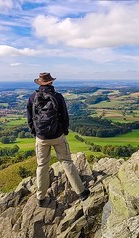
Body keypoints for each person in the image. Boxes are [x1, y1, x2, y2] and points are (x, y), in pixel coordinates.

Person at [27, 72, 90, 206]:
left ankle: (41, 197)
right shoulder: (58, 97)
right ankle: (81, 192)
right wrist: (64, 131)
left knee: (42, 166)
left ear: (39, 83)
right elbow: (65, 117)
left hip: (41, 138)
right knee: (67, 162)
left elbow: (30, 118)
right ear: (51, 82)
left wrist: (36, 132)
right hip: (58, 136)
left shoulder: (33, 97)